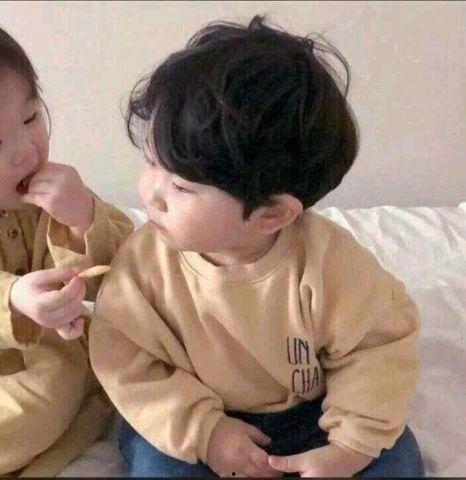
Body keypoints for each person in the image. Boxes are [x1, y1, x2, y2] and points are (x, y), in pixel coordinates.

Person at [90, 16, 424, 477]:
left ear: (272, 214)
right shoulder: (145, 265)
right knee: (156, 462)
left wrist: (350, 446)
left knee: (396, 456)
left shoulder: (329, 264)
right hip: (197, 411)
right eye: (151, 163)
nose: (151, 193)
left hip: (313, 413)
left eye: (181, 187)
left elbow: (378, 348)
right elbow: (126, 358)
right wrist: (206, 433)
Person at [0, 26, 133, 476]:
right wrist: (13, 298)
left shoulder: (58, 196)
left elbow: (128, 263)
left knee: (46, 397)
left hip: (44, 362)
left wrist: (82, 219)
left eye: (30, 117)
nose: (25, 151)